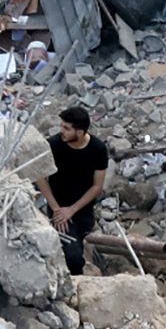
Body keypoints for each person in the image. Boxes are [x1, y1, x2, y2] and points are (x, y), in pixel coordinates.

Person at [37, 105, 107, 275]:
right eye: (61, 126)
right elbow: (39, 177)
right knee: (73, 259)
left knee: (77, 242)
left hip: (82, 209)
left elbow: (97, 186)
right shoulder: (53, 145)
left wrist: (72, 210)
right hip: (58, 208)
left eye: (67, 128)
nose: (62, 131)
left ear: (80, 132)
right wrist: (56, 210)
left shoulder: (98, 149)